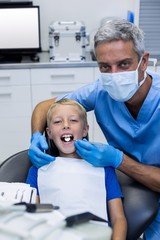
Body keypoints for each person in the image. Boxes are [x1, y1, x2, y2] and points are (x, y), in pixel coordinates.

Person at [28, 19, 160, 240]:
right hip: (130, 183)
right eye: (105, 67)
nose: (114, 75)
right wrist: (35, 136)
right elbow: (43, 108)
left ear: (144, 61)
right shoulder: (100, 92)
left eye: (124, 64)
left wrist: (119, 160)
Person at [26, 98, 127, 240]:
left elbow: (119, 219)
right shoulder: (38, 171)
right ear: (49, 133)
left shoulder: (104, 169)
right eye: (57, 122)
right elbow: (30, 219)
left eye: (73, 120)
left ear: (85, 129)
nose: (66, 125)